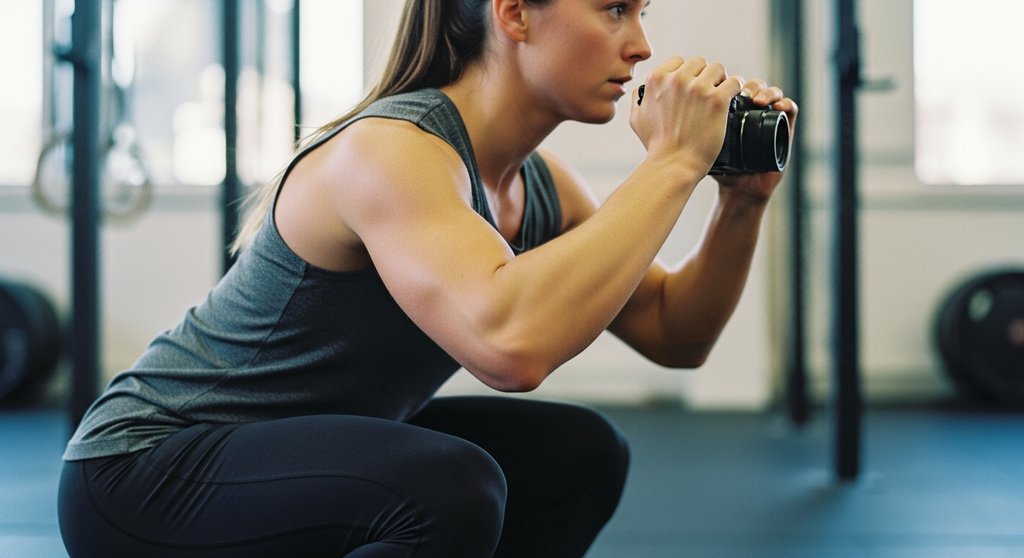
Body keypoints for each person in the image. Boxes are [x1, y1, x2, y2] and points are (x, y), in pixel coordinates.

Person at [58, 0, 798, 556]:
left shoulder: (538, 187)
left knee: (579, 456)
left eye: (641, 11)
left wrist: (741, 201)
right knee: (449, 487)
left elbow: (677, 334)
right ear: (513, 13)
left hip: (291, 456)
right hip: (144, 474)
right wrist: (671, 163)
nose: (641, 45)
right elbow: (511, 347)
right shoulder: (393, 151)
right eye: (612, 9)